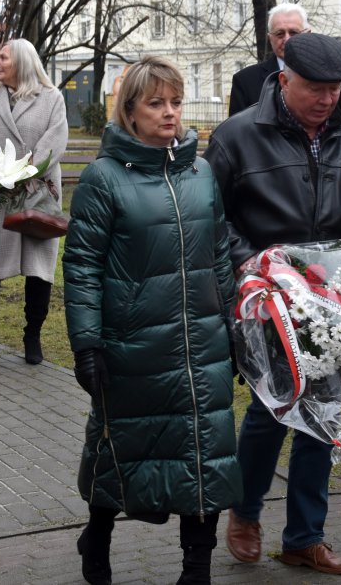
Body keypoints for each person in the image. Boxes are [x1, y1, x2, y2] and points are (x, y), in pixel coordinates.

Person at [206, 32, 341, 576]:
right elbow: (212, 219)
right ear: (284, 79)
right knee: (272, 409)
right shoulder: (237, 137)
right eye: (314, 88)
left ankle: (305, 536)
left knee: (324, 414)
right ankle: (246, 511)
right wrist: (254, 268)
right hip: (265, 299)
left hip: (332, 306)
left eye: (335, 88)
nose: (327, 99)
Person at [63, 55, 240, 585]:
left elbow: (220, 254)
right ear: (131, 111)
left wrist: (234, 328)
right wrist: (87, 344)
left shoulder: (202, 172)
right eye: (156, 103)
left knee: (206, 455)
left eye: (176, 102)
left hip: (201, 344)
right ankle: (97, 538)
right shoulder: (103, 179)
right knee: (119, 451)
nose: (170, 113)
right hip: (133, 347)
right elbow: (82, 266)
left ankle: (196, 568)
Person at [0, 38, 68, 365]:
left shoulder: (51, 98)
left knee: (38, 269)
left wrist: (25, 171)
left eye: (2, 58)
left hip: (37, 193)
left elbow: (55, 140)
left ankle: (32, 335)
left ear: (22, 61)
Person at [227, 3, 308, 116]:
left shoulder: (329, 78)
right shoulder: (245, 81)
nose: (287, 39)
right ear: (270, 39)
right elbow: (236, 130)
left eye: (293, 32)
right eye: (280, 34)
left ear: (308, 34)